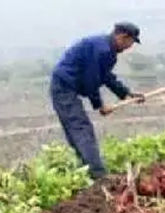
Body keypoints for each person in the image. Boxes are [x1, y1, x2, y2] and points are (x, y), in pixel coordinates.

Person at [50, 22, 146, 179]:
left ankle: (88, 171)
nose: (130, 47)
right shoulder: (101, 50)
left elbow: (106, 76)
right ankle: (98, 175)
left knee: (77, 129)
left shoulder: (107, 50)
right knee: (80, 128)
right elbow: (91, 80)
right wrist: (100, 105)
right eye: (131, 42)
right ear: (122, 37)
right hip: (63, 87)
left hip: (69, 86)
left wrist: (127, 93)